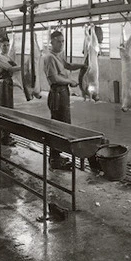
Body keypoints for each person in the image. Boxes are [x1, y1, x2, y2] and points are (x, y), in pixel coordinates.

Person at [43, 30, 85, 170]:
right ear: (52, 42)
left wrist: (82, 66)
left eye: (63, 41)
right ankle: (54, 159)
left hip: (63, 93)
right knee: (58, 126)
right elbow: (54, 78)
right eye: (58, 41)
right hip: (57, 93)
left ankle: (57, 155)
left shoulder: (58, 56)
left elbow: (67, 65)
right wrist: (70, 81)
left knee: (64, 124)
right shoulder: (49, 57)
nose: (61, 44)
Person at [0, 35, 21, 146]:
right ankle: (2, 138)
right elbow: (11, 69)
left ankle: (7, 136)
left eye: (8, 45)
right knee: (3, 111)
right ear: (0, 46)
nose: (6, 47)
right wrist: (24, 66)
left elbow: (14, 65)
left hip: (8, 84)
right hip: (2, 85)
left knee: (9, 110)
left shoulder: (7, 57)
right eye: (4, 45)